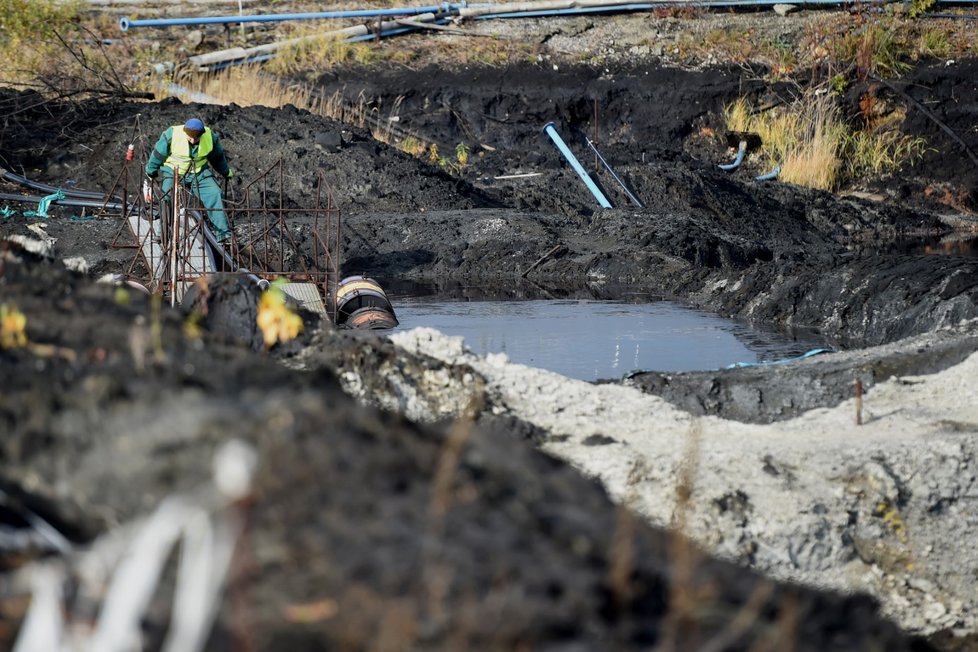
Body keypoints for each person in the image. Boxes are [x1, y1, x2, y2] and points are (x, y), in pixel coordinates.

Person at [145, 117, 234, 241]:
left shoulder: (210, 136)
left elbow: (217, 157)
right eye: (190, 137)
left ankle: (223, 234)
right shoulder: (172, 134)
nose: (193, 140)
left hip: (199, 173)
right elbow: (158, 154)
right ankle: (163, 233)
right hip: (174, 172)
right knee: (166, 197)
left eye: (196, 138)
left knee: (214, 193)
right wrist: (151, 171)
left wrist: (226, 172)